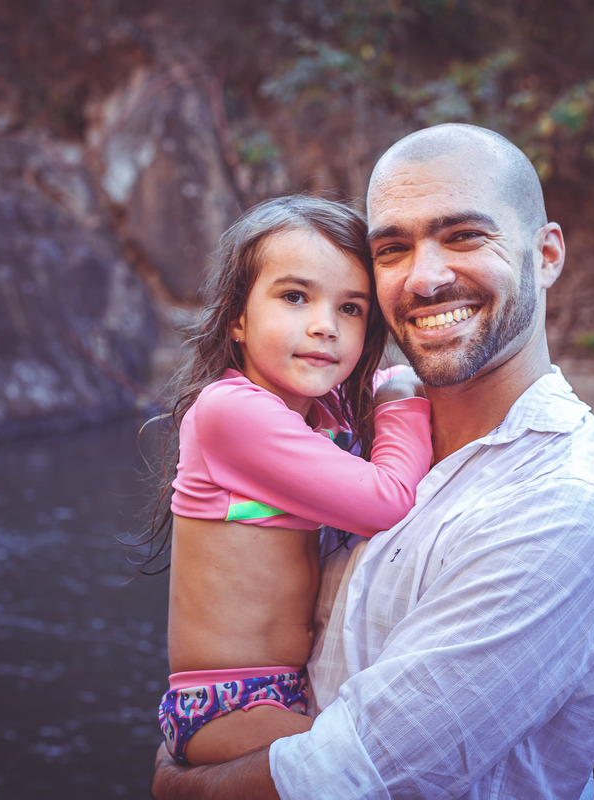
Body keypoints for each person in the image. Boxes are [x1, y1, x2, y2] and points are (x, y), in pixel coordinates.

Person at [153, 124, 594, 799]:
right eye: (392, 249)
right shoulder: (341, 427)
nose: (425, 277)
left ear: (546, 254)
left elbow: (360, 774)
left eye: (464, 236)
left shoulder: (561, 503)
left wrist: (182, 788)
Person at [146, 195, 433, 768]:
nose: (325, 326)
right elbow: (388, 499)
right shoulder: (230, 411)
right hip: (228, 701)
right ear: (237, 318)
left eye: (350, 308)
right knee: (377, 770)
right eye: (295, 297)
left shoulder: (320, 415)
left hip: (284, 690)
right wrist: (404, 397)